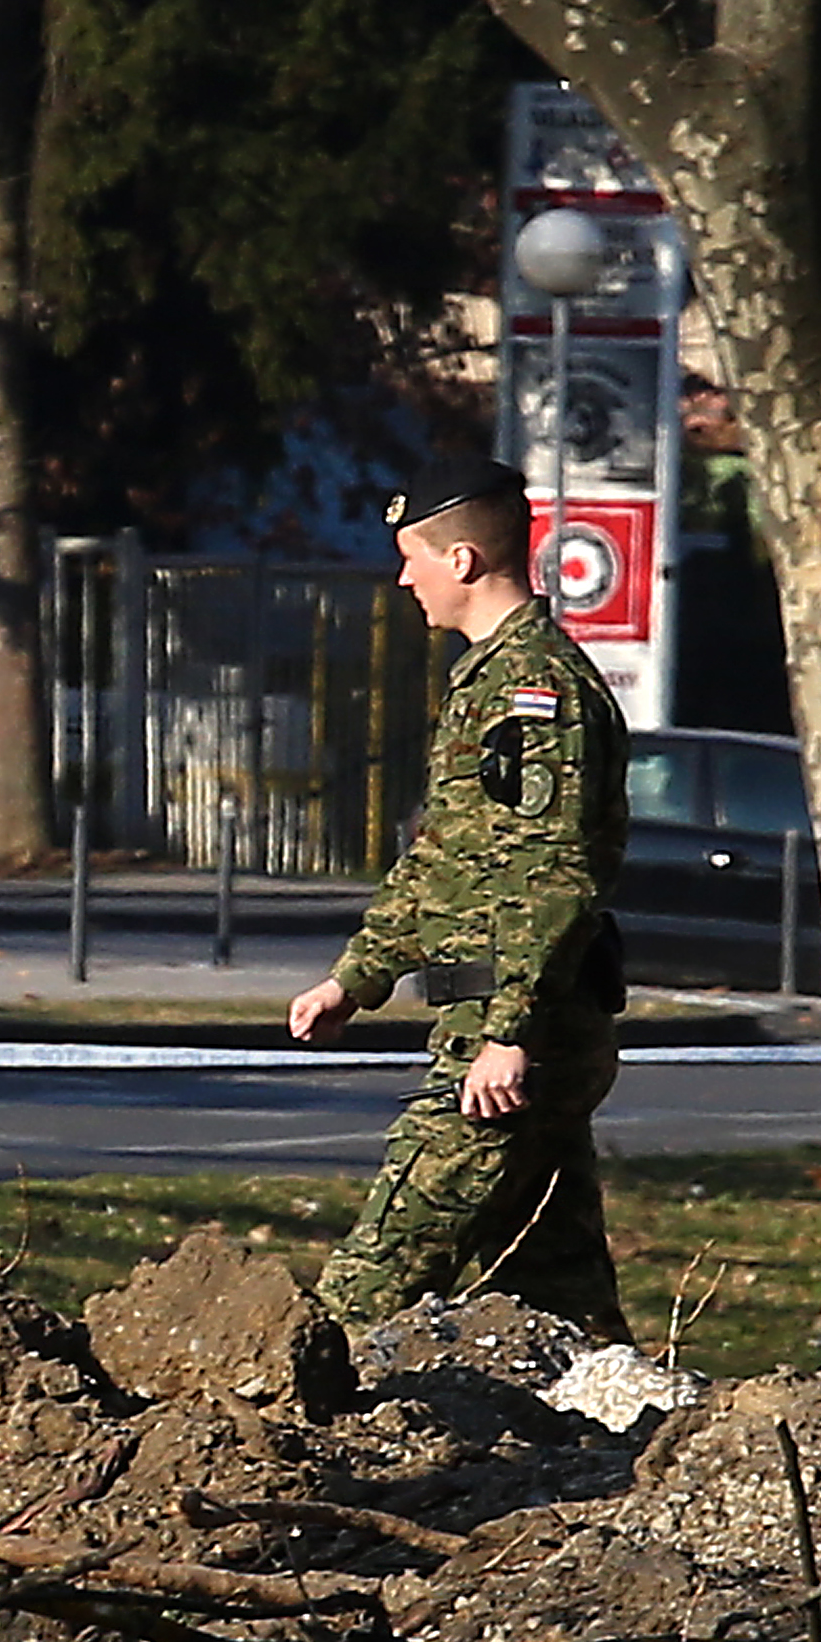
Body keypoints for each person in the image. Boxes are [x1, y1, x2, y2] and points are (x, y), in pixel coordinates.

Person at [289, 457, 630, 1336]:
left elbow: (554, 874)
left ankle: (278, 1420)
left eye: (414, 557)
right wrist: (354, 981)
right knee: (559, 1293)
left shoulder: (536, 691)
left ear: (465, 560)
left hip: (512, 1042)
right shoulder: (485, 684)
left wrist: (506, 1032)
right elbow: (446, 859)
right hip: (504, 1026)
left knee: (375, 1277)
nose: (404, 578)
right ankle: (635, 1438)